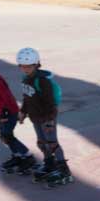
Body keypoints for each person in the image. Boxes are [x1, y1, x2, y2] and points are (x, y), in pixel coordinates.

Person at [17, 47, 71, 186]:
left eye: (29, 66)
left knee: (52, 143)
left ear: (36, 64)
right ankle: (49, 163)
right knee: (42, 142)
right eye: (23, 66)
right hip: (35, 117)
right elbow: (27, 97)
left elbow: (51, 103)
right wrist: (23, 112)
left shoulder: (42, 81)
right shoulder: (25, 79)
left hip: (47, 118)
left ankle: (64, 169)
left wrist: (49, 120)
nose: (26, 69)